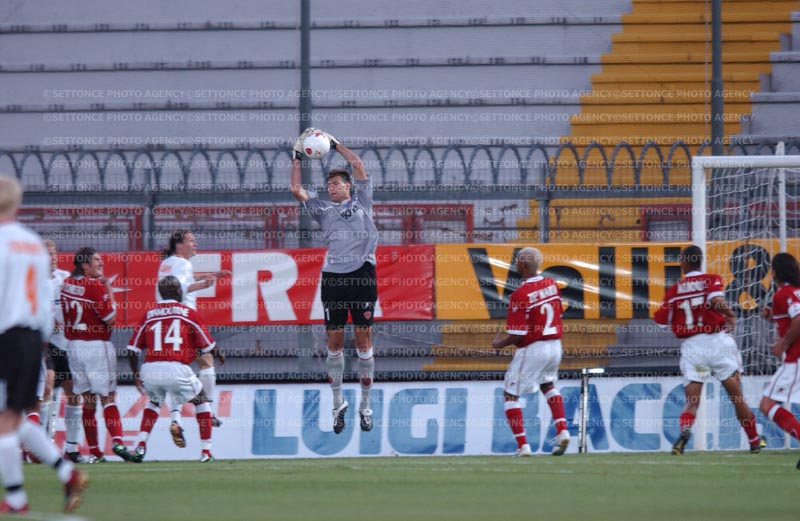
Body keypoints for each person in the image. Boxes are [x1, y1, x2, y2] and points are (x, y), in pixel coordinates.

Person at [0, 175, 87, 513]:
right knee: (14, 416)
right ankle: (67, 472)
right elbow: (44, 297)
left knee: (7, 419)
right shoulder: (33, 243)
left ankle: (17, 497)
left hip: (6, 335)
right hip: (31, 337)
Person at [290, 128, 378, 434]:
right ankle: (338, 402)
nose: (331, 188)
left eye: (336, 184)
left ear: (348, 187)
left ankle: (365, 405)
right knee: (334, 342)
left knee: (364, 339)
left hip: (362, 275)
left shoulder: (363, 201)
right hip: (334, 279)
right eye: (328, 185)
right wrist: (297, 157)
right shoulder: (322, 208)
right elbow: (296, 189)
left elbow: (357, 164)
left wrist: (335, 143)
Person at [654, 245, 763, 454]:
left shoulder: (674, 289)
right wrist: (730, 315)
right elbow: (715, 300)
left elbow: (660, 321)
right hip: (717, 342)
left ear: (684, 262)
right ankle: (754, 440)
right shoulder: (711, 279)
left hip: (693, 347)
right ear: (700, 260)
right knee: (736, 397)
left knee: (692, 401)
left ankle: (685, 430)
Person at [128, 276, 218, 463]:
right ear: (178, 292)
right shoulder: (188, 313)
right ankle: (206, 452)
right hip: (176, 368)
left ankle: (141, 446)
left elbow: (132, 349)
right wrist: (220, 354)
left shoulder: (149, 314)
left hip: (150, 369)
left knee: (154, 402)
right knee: (201, 400)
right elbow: (208, 344)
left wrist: (136, 374)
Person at [491, 247, 570, 457]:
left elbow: (517, 334)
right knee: (548, 385)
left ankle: (523, 446)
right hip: (555, 345)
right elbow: (559, 311)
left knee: (511, 394)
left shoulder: (520, 295)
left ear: (524, 265)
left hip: (534, 348)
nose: (515, 263)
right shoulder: (551, 285)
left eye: (518, 260)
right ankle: (562, 431)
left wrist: (499, 344)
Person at [61, 247, 134, 463]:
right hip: (96, 346)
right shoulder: (94, 285)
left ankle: (95, 452)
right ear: (85, 265)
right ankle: (118, 442)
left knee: (88, 400)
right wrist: (108, 289)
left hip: (74, 347)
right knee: (108, 397)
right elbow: (110, 318)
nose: (101, 263)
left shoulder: (67, 284)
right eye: (96, 260)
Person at [156, 230, 228, 427]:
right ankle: (208, 411)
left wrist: (207, 276)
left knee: (178, 368)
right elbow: (180, 287)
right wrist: (205, 284)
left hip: (167, 319)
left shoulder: (167, 263)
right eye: (191, 241)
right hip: (185, 319)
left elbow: (178, 281)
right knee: (207, 363)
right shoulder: (183, 263)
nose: (195, 244)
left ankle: (175, 418)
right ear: (179, 245)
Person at [42, 240, 84, 462]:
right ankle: (42, 447)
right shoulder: (32, 281)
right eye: (48, 254)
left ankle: (72, 448)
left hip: (66, 344)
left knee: (74, 393)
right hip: (44, 344)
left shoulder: (64, 278)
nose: (53, 257)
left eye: (54, 253)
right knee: (47, 387)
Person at [758, 252, 800, 468]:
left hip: (796, 360)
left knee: (767, 404)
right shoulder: (793, 292)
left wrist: (783, 344)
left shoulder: (783, 294)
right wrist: (772, 317)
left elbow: (799, 318)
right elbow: (790, 317)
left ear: (774, 272)